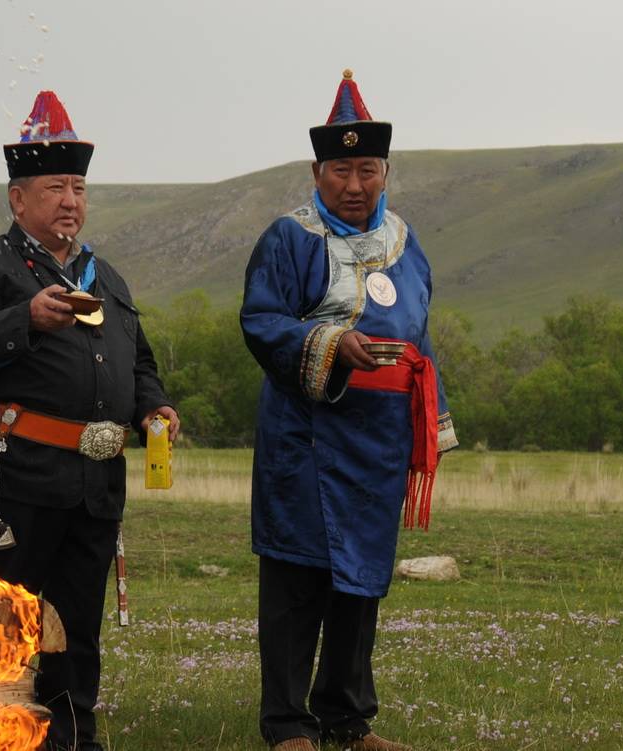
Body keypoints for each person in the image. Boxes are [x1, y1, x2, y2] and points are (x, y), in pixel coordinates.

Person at [0, 90, 175, 751]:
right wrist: (25, 319)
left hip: (96, 483)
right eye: (55, 187)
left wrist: (154, 404)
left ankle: (73, 737)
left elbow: (139, 360)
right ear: (18, 198)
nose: (70, 199)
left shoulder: (108, 278)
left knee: (77, 621)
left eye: (78, 186)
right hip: (19, 478)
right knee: (5, 618)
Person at [238, 71, 455, 751]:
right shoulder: (289, 239)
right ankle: (287, 725)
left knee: (362, 582)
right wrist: (332, 343)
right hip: (308, 437)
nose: (354, 184)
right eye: (341, 169)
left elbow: (421, 340)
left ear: (386, 170)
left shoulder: (406, 242)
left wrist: (431, 422)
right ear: (317, 170)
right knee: (298, 578)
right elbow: (261, 322)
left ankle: (348, 718)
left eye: (367, 169)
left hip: (379, 444)